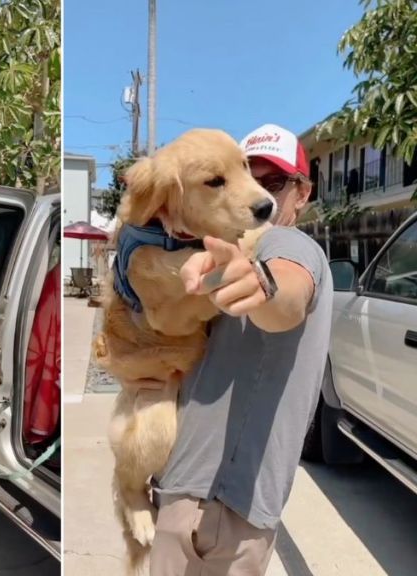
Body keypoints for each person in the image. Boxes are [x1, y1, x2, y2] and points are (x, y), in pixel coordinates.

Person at [146, 123, 332, 575]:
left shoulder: (286, 242)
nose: (258, 197)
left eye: (274, 184)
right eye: (247, 179)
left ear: (301, 194)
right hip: (199, 497)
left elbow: (288, 291)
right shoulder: (224, 246)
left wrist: (261, 284)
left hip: (217, 509)